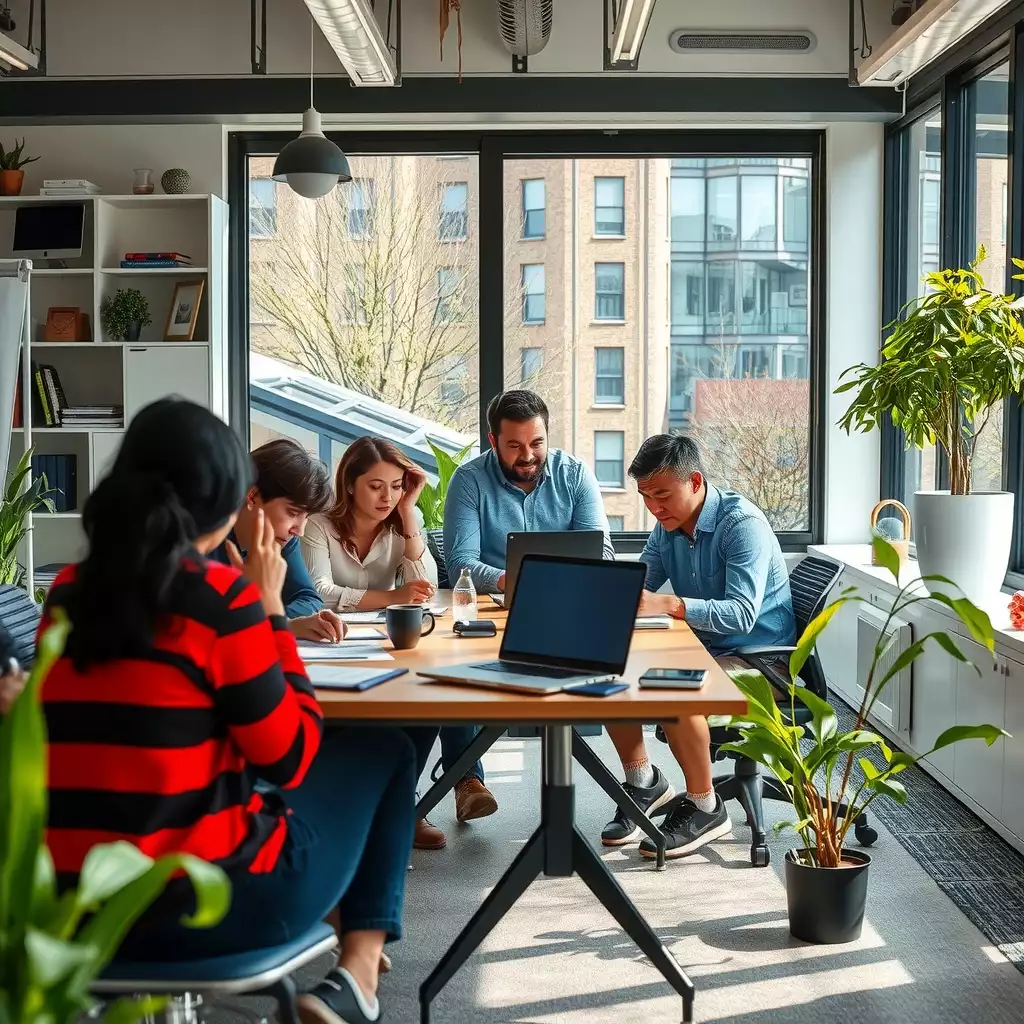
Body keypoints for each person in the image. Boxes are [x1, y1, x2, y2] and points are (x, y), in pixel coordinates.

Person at [42, 399, 415, 1024]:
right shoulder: (220, 595)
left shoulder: (69, 590)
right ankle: (356, 978)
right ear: (223, 497)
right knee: (387, 751)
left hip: (78, 908)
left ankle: (354, 960)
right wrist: (269, 610)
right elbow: (289, 756)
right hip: (206, 906)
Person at [601, 434, 796, 860]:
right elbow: (640, 585)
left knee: (674, 683)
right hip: (709, 648)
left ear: (694, 481)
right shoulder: (667, 525)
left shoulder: (742, 526)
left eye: (662, 495)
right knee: (611, 665)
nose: (654, 507)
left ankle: (706, 805)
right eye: (645, 497)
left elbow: (743, 613)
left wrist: (672, 603)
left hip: (762, 661)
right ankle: (642, 781)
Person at [301, 436, 494, 850]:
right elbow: (320, 590)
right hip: (333, 643)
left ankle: (407, 805)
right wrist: (390, 598)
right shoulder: (319, 525)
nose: (386, 496)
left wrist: (409, 514)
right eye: (375, 486)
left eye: (395, 486)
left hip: (386, 642)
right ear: (350, 484)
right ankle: (436, 791)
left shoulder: (401, 523)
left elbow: (423, 583)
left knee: (440, 685)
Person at [444, 389, 615, 595]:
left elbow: (602, 553)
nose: (527, 456)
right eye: (515, 445)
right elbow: (460, 567)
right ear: (493, 441)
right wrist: (513, 581)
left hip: (569, 596)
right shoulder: (468, 481)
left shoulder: (576, 475)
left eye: (537, 443)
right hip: (496, 603)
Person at [208, 437, 346, 644]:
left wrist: (283, 624)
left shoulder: (283, 539)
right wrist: (276, 623)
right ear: (253, 496)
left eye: (306, 517)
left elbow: (309, 598)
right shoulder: (202, 536)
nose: (299, 531)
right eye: (293, 512)